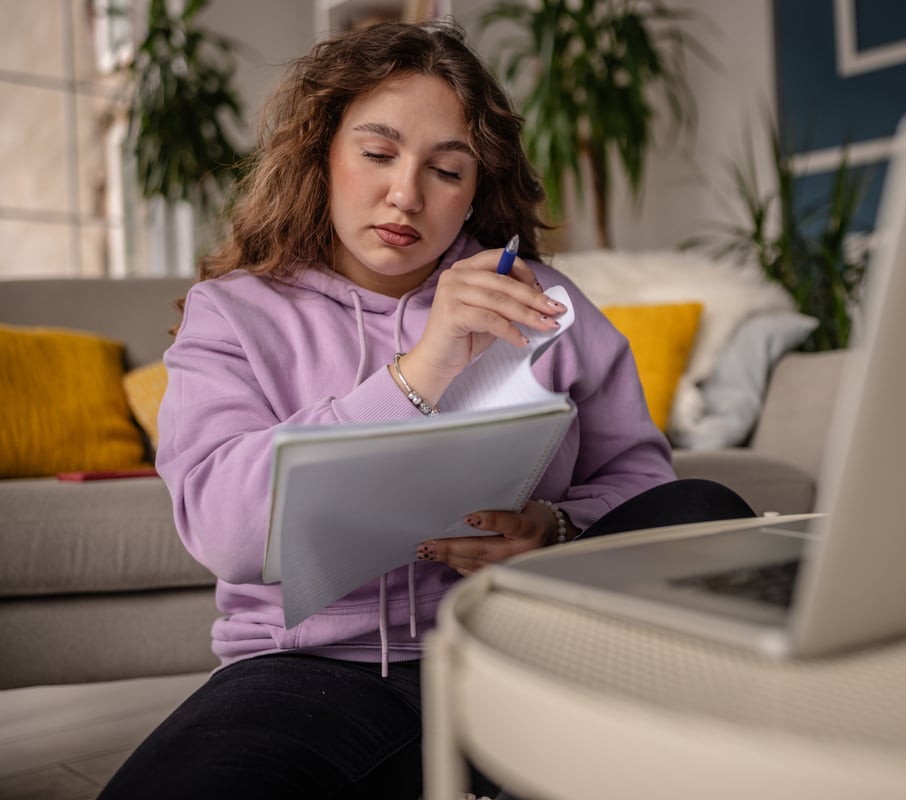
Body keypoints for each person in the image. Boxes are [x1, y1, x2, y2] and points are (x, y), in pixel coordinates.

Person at [98, 19, 753, 800]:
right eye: (377, 154)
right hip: (316, 676)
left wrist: (556, 527)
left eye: (446, 170)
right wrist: (423, 368)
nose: (404, 194)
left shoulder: (540, 299)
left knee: (708, 509)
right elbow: (231, 535)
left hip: (524, 650)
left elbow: (642, 481)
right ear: (322, 156)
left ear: (475, 188)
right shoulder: (233, 314)